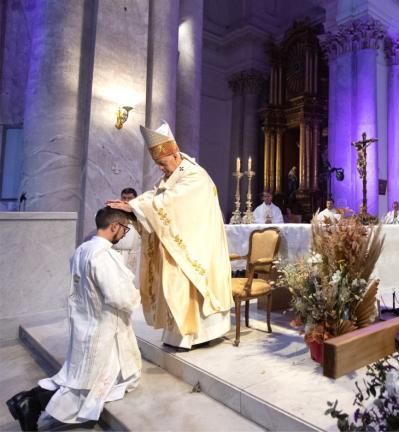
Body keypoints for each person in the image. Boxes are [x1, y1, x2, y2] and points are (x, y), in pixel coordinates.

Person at [6, 207, 141, 430]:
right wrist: (135, 297)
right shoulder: (105, 255)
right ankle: (30, 402)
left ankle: (27, 400)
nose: (125, 234)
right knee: (88, 385)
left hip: (85, 323)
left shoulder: (83, 249)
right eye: (124, 229)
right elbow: (119, 297)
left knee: (77, 375)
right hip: (104, 328)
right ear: (114, 226)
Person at [107, 121, 232, 349]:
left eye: (162, 163)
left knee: (188, 283)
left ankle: (199, 334)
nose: (161, 169)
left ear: (175, 155)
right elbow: (156, 196)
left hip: (198, 244)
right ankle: (178, 334)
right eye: (158, 165)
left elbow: (171, 203)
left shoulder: (194, 175)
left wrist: (133, 207)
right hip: (183, 238)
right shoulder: (175, 175)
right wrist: (133, 204)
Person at [112, 187, 140, 275]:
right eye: (124, 198)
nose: (126, 201)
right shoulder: (114, 211)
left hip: (134, 254)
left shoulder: (139, 213)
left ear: (135, 199)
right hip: (116, 253)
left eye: (129, 198)